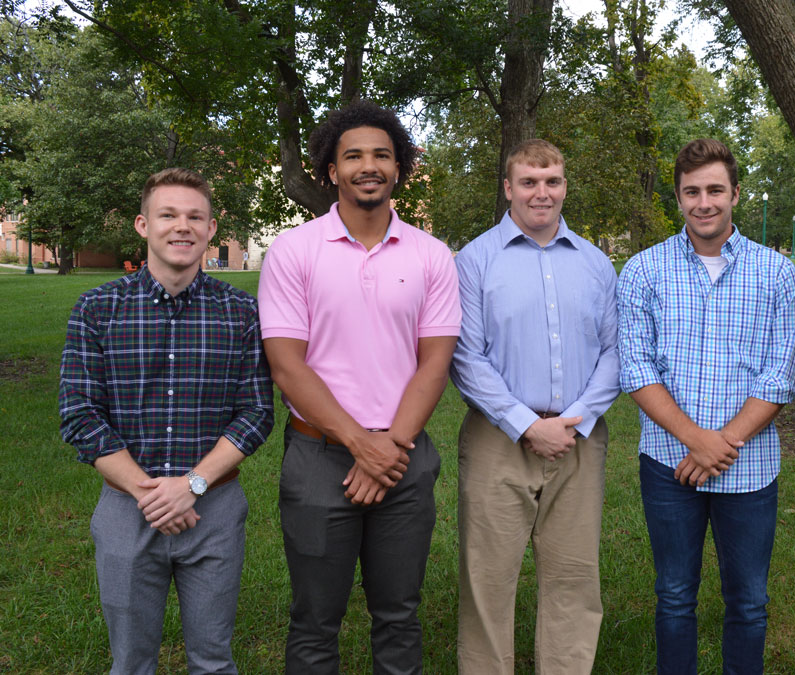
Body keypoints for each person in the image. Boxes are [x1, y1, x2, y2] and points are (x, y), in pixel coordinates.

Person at [257, 100, 461, 674]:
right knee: (314, 620)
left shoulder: (431, 255)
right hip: (319, 458)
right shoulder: (294, 251)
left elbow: (434, 364)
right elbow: (288, 367)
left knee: (399, 615)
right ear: (331, 169)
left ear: (398, 169)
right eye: (353, 156)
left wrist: (389, 448)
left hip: (404, 457)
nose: (367, 166)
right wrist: (360, 445)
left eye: (381, 155)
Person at [59, 167, 275, 674]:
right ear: (142, 224)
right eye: (168, 215)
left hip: (214, 509)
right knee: (131, 662)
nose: (182, 226)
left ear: (211, 229)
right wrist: (151, 494)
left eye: (194, 216)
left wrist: (192, 485)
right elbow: (80, 415)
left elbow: (257, 412)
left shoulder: (241, 313)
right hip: (125, 509)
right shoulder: (97, 309)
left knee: (213, 661)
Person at [616, 138, 795, 674]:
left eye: (715, 190)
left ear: (736, 194)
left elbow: (779, 374)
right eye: (692, 192)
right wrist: (698, 441)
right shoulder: (643, 271)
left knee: (748, 602)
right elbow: (637, 368)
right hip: (666, 463)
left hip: (750, 469)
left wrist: (719, 446)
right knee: (674, 596)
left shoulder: (776, 274)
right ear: (678, 199)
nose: (704, 202)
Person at [451, 139, 620, 674]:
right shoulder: (475, 261)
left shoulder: (595, 264)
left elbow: (616, 351)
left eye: (552, 181)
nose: (541, 193)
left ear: (565, 186)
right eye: (528, 181)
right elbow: (466, 357)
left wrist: (576, 419)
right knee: (488, 578)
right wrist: (526, 425)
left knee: (574, 574)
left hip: (579, 439)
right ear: (508, 189)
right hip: (497, 437)